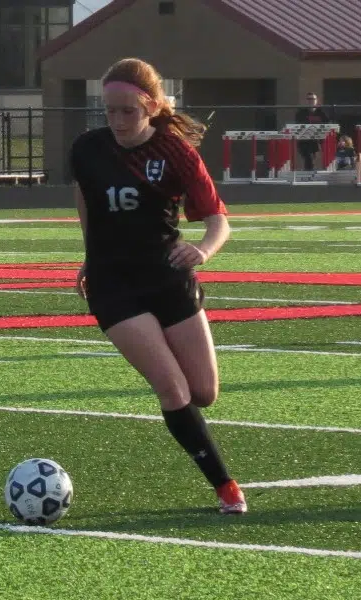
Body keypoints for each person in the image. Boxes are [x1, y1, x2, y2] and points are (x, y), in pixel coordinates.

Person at [70, 57, 246, 514]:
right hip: (114, 283)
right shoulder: (89, 149)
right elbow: (86, 201)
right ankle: (226, 488)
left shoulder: (174, 150)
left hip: (167, 276)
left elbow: (218, 220)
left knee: (203, 393)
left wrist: (203, 251)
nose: (117, 120)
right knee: (172, 388)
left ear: (150, 106)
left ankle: (201, 445)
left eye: (127, 110)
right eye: (108, 111)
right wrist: (90, 257)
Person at [294, 92, 329, 171]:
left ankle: (310, 172)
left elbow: (328, 123)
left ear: (316, 100)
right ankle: (308, 173)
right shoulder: (301, 113)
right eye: (309, 99)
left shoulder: (321, 112)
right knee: (308, 157)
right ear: (306, 101)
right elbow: (298, 124)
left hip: (317, 139)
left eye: (313, 99)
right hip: (304, 139)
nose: (311, 101)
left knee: (312, 157)